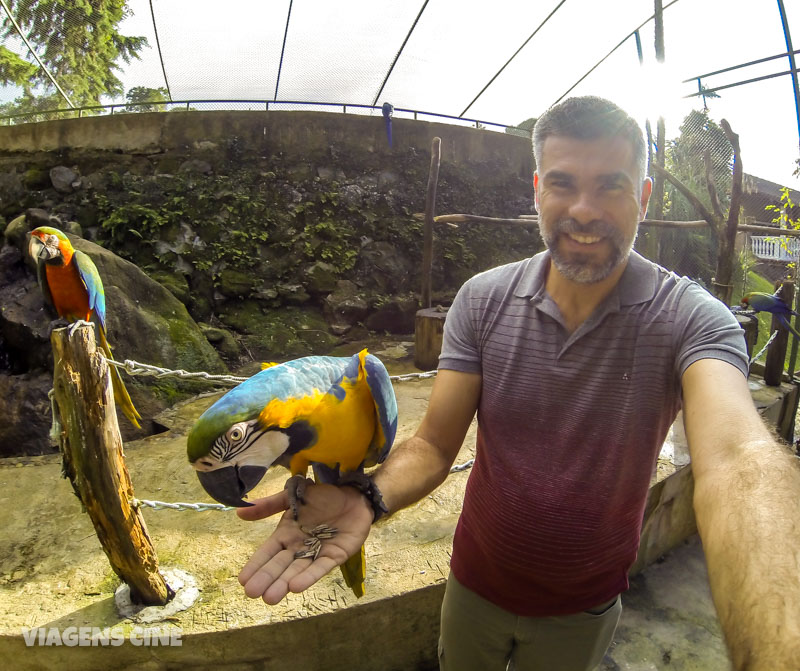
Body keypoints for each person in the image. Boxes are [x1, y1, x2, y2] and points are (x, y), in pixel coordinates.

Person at [235, 96, 800, 670]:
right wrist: (368, 497)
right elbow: (433, 444)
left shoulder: (690, 318)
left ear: (644, 197)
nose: (584, 210)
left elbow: (736, 459)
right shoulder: (483, 301)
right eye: (562, 184)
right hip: (475, 584)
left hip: (585, 606)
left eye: (611, 185)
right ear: (536, 189)